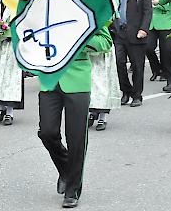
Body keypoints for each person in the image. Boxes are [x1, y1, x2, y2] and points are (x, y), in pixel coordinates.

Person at [38, 26, 113, 208]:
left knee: (76, 138)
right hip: (49, 79)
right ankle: (66, 169)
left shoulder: (86, 8)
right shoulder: (43, 7)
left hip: (77, 80)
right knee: (47, 132)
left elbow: (105, 42)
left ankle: (73, 189)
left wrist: (79, 37)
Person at [111, 0, 152, 107]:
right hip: (119, 33)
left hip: (136, 34)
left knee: (137, 66)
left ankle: (137, 95)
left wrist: (143, 29)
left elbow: (148, 12)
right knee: (118, 63)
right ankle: (126, 91)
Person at [88, 36, 121, 131]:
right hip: (89, 51)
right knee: (91, 85)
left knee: (103, 84)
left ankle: (102, 118)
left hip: (103, 49)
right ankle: (92, 113)